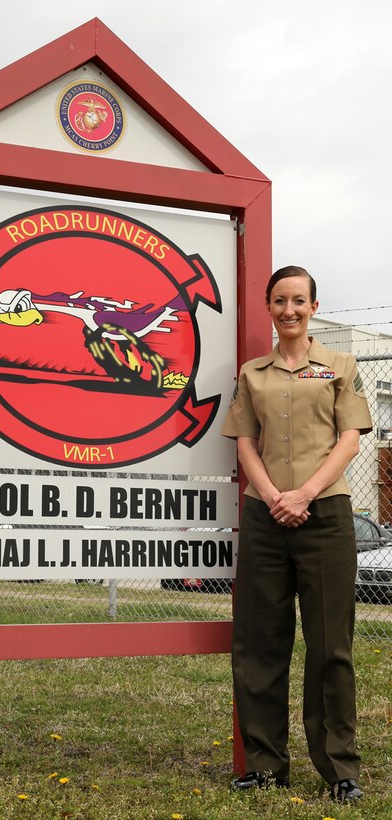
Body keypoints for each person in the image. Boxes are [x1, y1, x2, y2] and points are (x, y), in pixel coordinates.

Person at [221, 266, 372, 802]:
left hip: (325, 515)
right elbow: (244, 444)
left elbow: (350, 441)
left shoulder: (340, 366)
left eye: (299, 301)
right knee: (259, 643)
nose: (289, 310)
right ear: (268, 306)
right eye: (280, 301)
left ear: (313, 306)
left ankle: (340, 769)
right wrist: (275, 498)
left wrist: (304, 495)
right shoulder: (251, 374)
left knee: (331, 646)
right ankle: (264, 764)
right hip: (266, 518)